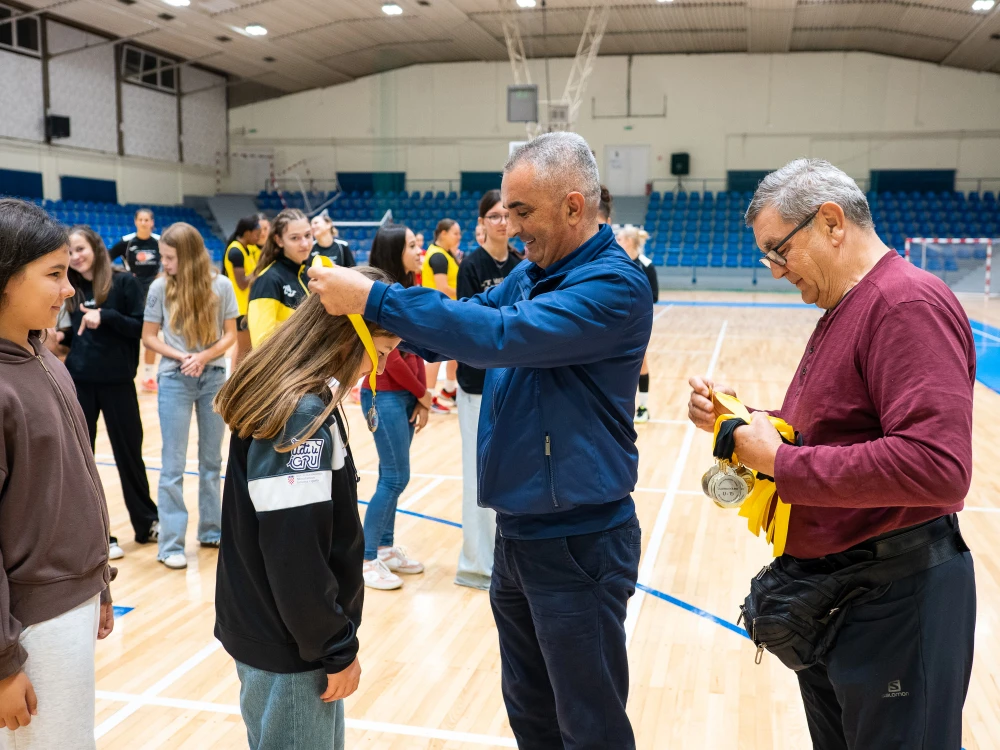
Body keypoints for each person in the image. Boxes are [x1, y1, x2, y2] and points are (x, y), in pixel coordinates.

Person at [307, 132, 652, 749]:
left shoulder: (613, 286)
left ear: (574, 206)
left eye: (522, 212)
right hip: (518, 533)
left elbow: (500, 336)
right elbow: (465, 325)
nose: (511, 227)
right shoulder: (531, 273)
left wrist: (378, 299)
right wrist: (385, 323)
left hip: (578, 540)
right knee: (531, 714)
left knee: (590, 725)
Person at [687, 159, 976, 750]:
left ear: (831, 222)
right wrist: (741, 422)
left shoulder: (904, 304)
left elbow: (939, 467)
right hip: (844, 599)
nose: (775, 270)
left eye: (779, 250)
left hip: (896, 601)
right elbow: (835, 432)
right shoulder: (851, 304)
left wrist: (778, 462)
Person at [213, 267, 400, 750]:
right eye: (380, 353)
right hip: (293, 644)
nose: (376, 369)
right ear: (349, 336)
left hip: (286, 633)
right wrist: (334, 648)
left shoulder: (300, 396)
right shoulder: (301, 413)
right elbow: (294, 553)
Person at [0, 199, 116, 750]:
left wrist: (98, 582)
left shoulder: (42, 355)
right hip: (29, 626)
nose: (69, 289)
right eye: (53, 274)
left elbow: (73, 485)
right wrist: (4, 661)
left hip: (71, 603)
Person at [53, 225, 159, 560]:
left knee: (130, 456)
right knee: (82, 461)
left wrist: (107, 316)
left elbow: (140, 328)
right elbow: (75, 336)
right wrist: (58, 339)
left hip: (118, 383)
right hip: (81, 385)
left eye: (80, 249)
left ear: (96, 248)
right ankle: (99, 533)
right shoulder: (70, 288)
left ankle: (147, 523)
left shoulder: (124, 282)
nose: (76, 257)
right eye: (70, 252)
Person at [142, 223, 238, 570]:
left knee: (212, 462)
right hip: (174, 379)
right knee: (173, 465)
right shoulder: (159, 287)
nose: (165, 263)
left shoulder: (221, 285)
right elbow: (149, 337)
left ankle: (211, 530)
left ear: (189, 256)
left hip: (212, 378)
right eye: (163, 257)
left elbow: (230, 335)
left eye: (170, 257)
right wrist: (183, 356)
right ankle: (170, 544)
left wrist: (204, 356)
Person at [453, 190, 522, 590]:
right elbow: (468, 323)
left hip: (510, 383)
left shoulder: (520, 264)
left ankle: (505, 564)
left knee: (508, 476)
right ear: (481, 222)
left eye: (506, 215)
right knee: (476, 477)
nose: (501, 222)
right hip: (476, 386)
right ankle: (476, 565)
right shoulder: (471, 265)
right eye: (493, 216)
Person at [359, 224, 432, 590]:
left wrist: (419, 395)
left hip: (405, 395)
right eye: (412, 245)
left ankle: (385, 549)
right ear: (394, 251)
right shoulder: (380, 296)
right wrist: (424, 394)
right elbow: (393, 360)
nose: (420, 251)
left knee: (392, 475)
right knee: (394, 477)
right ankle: (366, 557)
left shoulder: (406, 289)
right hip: (384, 393)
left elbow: (415, 351)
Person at [109, 208, 161, 392]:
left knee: (151, 334)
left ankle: (148, 377)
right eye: (141, 219)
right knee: (130, 331)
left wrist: (162, 276)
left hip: (154, 292)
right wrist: (122, 274)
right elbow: (106, 259)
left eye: (147, 220)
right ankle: (123, 371)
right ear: (136, 221)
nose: (144, 223)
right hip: (131, 293)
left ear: (152, 222)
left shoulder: (159, 241)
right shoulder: (127, 241)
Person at [248, 208, 313, 347]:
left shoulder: (310, 274)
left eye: (308, 235)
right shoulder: (268, 280)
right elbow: (261, 343)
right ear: (279, 240)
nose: (305, 243)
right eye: (295, 238)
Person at [617, 226, 658, 423]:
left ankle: (642, 407)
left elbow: (654, 296)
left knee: (641, 363)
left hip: (637, 321)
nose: (616, 242)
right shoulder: (615, 262)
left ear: (629, 241)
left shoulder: (646, 265)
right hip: (616, 320)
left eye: (619, 239)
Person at [421, 219, 461, 413]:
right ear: (443, 233)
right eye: (455, 233)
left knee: (456, 352)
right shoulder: (438, 257)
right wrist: (467, 292)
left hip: (447, 309)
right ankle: (429, 396)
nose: (459, 237)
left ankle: (449, 389)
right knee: (434, 356)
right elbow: (443, 287)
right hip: (436, 311)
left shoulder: (445, 254)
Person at [224, 215, 261, 367]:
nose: (258, 237)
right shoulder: (235, 251)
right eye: (256, 234)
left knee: (247, 348)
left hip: (248, 306)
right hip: (239, 308)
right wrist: (259, 270)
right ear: (247, 233)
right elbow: (242, 284)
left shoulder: (249, 248)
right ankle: (235, 379)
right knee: (243, 349)